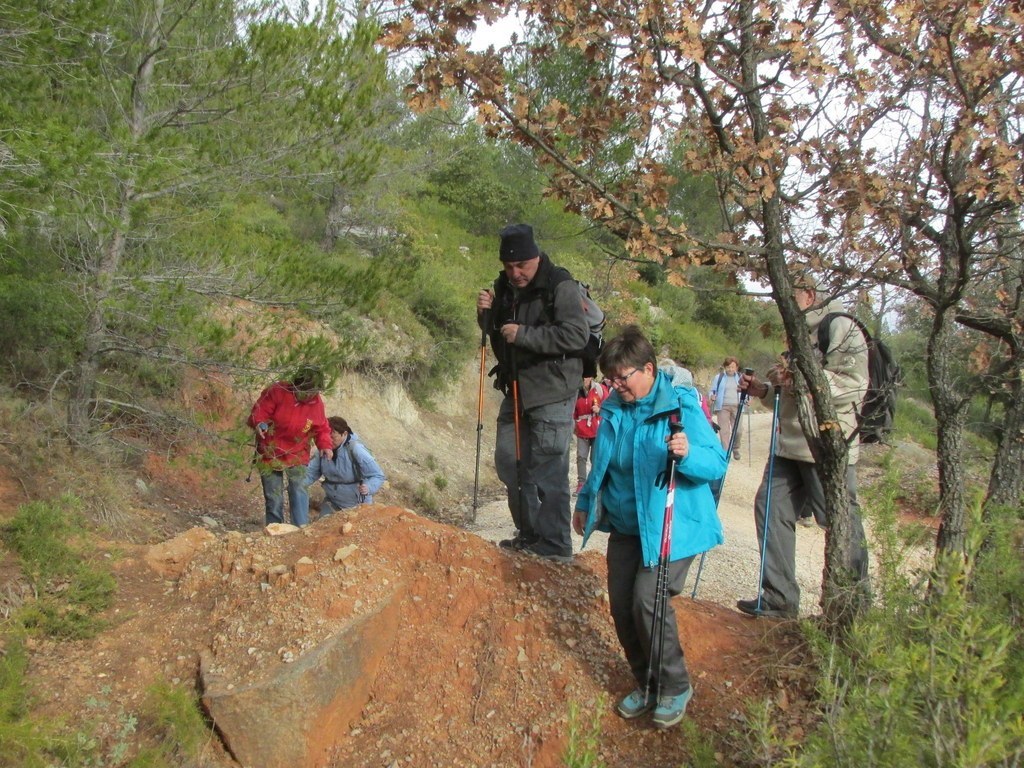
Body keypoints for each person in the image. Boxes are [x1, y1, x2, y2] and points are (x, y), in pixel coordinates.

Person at [573, 326, 727, 728]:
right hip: (627, 525)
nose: (616, 385)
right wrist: (585, 503)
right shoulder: (614, 408)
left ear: (649, 369)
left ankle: (674, 685)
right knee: (623, 608)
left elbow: (716, 464)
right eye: (611, 378)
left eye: (623, 377)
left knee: (648, 600)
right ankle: (647, 683)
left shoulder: (679, 407)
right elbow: (601, 464)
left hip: (672, 528)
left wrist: (688, 454)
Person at [736, 274, 870, 619]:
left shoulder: (842, 328)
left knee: (839, 521)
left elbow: (856, 386)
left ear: (809, 295)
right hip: (788, 445)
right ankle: (779, 599)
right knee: (770, 508)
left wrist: (805, 377)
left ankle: (850, 607)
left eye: (789, 294)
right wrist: (766, 389)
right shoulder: (801, 333)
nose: (781, 302)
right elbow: (791, 397)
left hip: (825, 446)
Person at [477, 223, 590, 563]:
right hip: (516, 389)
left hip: (553, 391)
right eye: (509, 266)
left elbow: (576, 336)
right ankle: (529, 534)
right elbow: (497, 334)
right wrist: (485, 314)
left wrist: (526, 335)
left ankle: (555, 546)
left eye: (521, 266)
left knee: (548, 470)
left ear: (536, 257)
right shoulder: (505, 286)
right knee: (510, 463)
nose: (515, 273)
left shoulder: (561, 285)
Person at [248, 366, 333, 527]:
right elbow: (259, 412)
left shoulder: (316, 403)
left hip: (297, 452)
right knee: (274, 496)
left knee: (299, 489)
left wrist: (325, 445)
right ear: (296, 385)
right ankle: (275, 529)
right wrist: (259, 424)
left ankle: (301, 528)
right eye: (306, 391)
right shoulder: (278, 391)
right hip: (270, 451)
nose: (310, 395)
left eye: (314, 392)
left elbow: (321, 428)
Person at [306, 416, 386, 514]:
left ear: (344, 434)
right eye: (327, 437)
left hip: (357, 505)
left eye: (333, 437)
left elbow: (378, 475)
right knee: (322, 528)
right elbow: (311, 473)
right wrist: (299, 484)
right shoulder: (323, 449)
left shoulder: (356, 449)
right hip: (332, 502)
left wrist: (369, 487)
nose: (329, 441)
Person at [573, 376, 608, 493]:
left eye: (586, 377)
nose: (584, 379)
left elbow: (609, 406)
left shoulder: (600, 389)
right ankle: (581, 483)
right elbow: (573, 411)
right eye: (582, 377)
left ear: (591, 378)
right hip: (582, 429)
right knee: (581, 456)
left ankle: (594, 481)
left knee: (595, 457)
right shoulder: (576, 391)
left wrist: (600, 409)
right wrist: (575, 425)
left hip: (597, 428)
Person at [709, 356, 743, 459]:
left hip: (738, 406)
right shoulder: (719, 377)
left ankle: (736, 448)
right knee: (724, 431)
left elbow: (746, 391)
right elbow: (712, 390)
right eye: (728, 367)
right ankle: (726, 453)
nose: (730, 369)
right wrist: (712, 396)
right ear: (725, 367)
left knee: (738, 430)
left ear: (736, 367)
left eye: (733, 367)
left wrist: (748, 399)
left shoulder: (741, 378)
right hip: (722, 407)